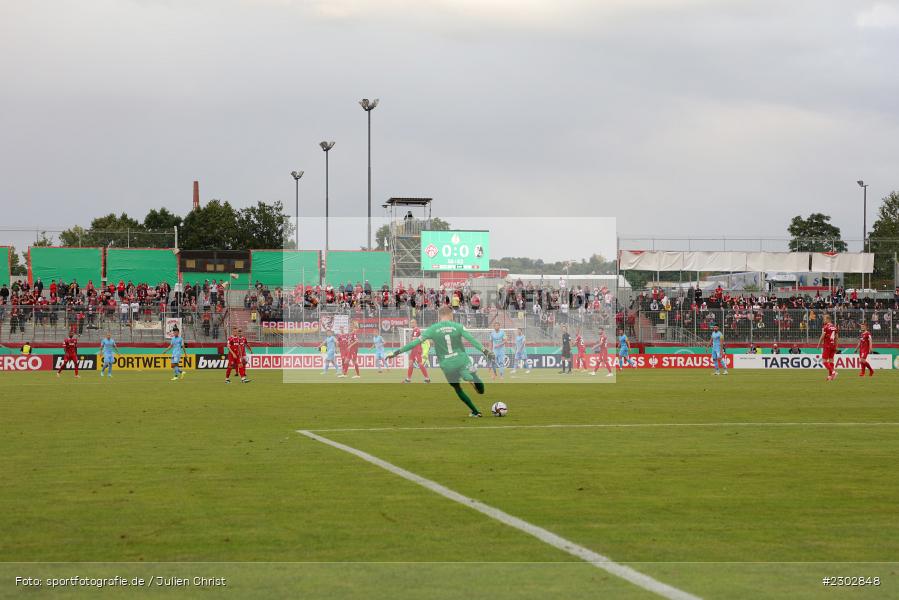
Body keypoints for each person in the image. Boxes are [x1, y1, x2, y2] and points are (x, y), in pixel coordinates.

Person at [387, 305, 495, 417]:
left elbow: (414, 343)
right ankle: (473, 375)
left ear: (440, 315)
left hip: (447, 365)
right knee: (480, 390)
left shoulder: (433, 329)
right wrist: (485, 351)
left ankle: (475, 412)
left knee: (457, 388)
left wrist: (396, 353)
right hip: (461, 360)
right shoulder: (458, 326)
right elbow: (472, 340)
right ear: (450, 314)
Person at [404, 319, 430, 383]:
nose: (411, 324)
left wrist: (413, 339)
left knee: (420, 364)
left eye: (412, 323)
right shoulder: (414, 330)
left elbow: (415, 339)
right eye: (411, 323)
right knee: (410, 363)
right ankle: (408, 379)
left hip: (417, 348)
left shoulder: (416, 330)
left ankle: (427, 379)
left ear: (416, 323)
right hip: (413, 349)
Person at [816, 313, 839, 381]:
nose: (823, 320)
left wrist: (818, 344)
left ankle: (833, 372)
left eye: (824, 319)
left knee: (824, 361)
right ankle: (830, 376)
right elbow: (837, 338)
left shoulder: (826, 327)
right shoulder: (835, 327)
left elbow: (822, 336)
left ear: (828, 319)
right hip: (833, 346)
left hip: (827, 345)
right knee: (831, 361)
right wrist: (836, 346)